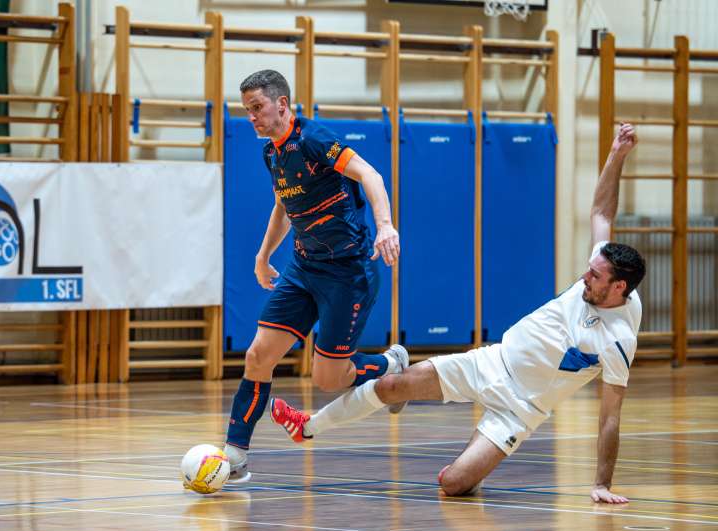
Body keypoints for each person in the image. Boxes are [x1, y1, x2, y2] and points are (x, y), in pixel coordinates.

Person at [270, 123, 646, 504]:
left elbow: (610, 416)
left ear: (618, 288)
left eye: (594, 276)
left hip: (521, 408)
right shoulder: (600, 271)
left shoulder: (619, 339)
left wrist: (602, 483)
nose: (585, 276)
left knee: (453, 485)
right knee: (391, 386)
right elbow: (601, 210)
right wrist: (617, 154)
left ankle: (471, 463)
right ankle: (309, 426)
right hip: (490, 363)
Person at [224, 70, 408, 483]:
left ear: (282, 104)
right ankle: (235, 455)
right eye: (247, 110)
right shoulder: (272, 153)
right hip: (304, 268)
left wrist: (385, 226)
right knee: (258, 356)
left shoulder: (314, 140)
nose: (251, 117)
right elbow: (283, 206)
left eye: (257, 108)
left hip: (348, 272)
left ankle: (389, 363)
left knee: (329, 379)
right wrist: (262, 255)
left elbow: (371, 175)